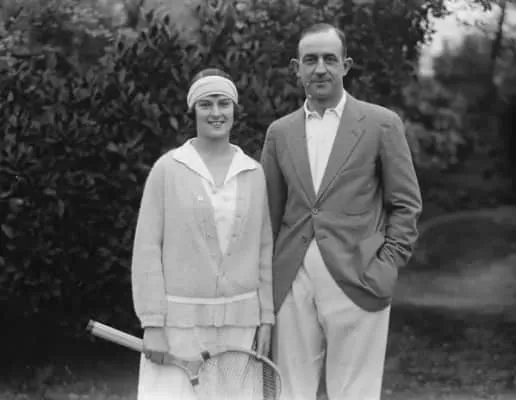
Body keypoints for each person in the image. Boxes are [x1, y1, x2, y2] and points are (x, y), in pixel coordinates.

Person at [260, 23, 423, 400]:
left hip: (360, 280)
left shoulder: (382, 124)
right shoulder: (279, 133)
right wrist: (267, 281)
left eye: (329, 59)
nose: (320, 69)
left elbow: (406, 204)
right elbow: (268, 214)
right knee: (289, 392)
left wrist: (385, 266)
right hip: (292, 285)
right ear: (296, 68)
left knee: (355, 393)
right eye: (310, 60)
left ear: (345, 66)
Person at [131, 68, 274, 400]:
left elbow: (264, 250)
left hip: (240, 327)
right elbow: (147, 249)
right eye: (206, 104)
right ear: (193, 111)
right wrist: (152, 323)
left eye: (223, 103)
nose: (216, 112)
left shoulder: (253, 173)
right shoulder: (167, 169)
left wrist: (266, 317)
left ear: (234, 110)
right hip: (178, 328)